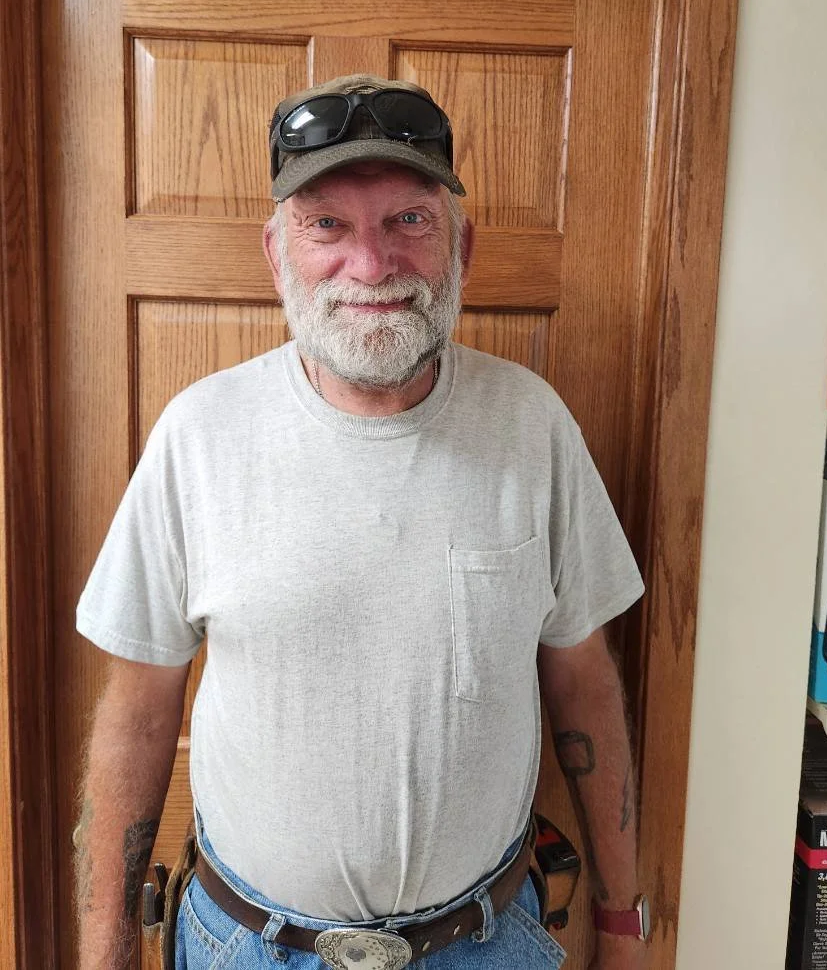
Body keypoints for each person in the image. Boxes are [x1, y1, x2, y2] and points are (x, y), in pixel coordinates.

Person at [74, 73, 650, 970]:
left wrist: (623, 920)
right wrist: (104, 954)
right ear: (277, 254)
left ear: (462, 248)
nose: (373, 265)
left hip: (488, 944)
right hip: (246, 948)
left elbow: (584, 681)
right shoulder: (199, 436)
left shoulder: (532, 425)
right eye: (327, 225)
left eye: (409, 220)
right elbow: (139, 715)